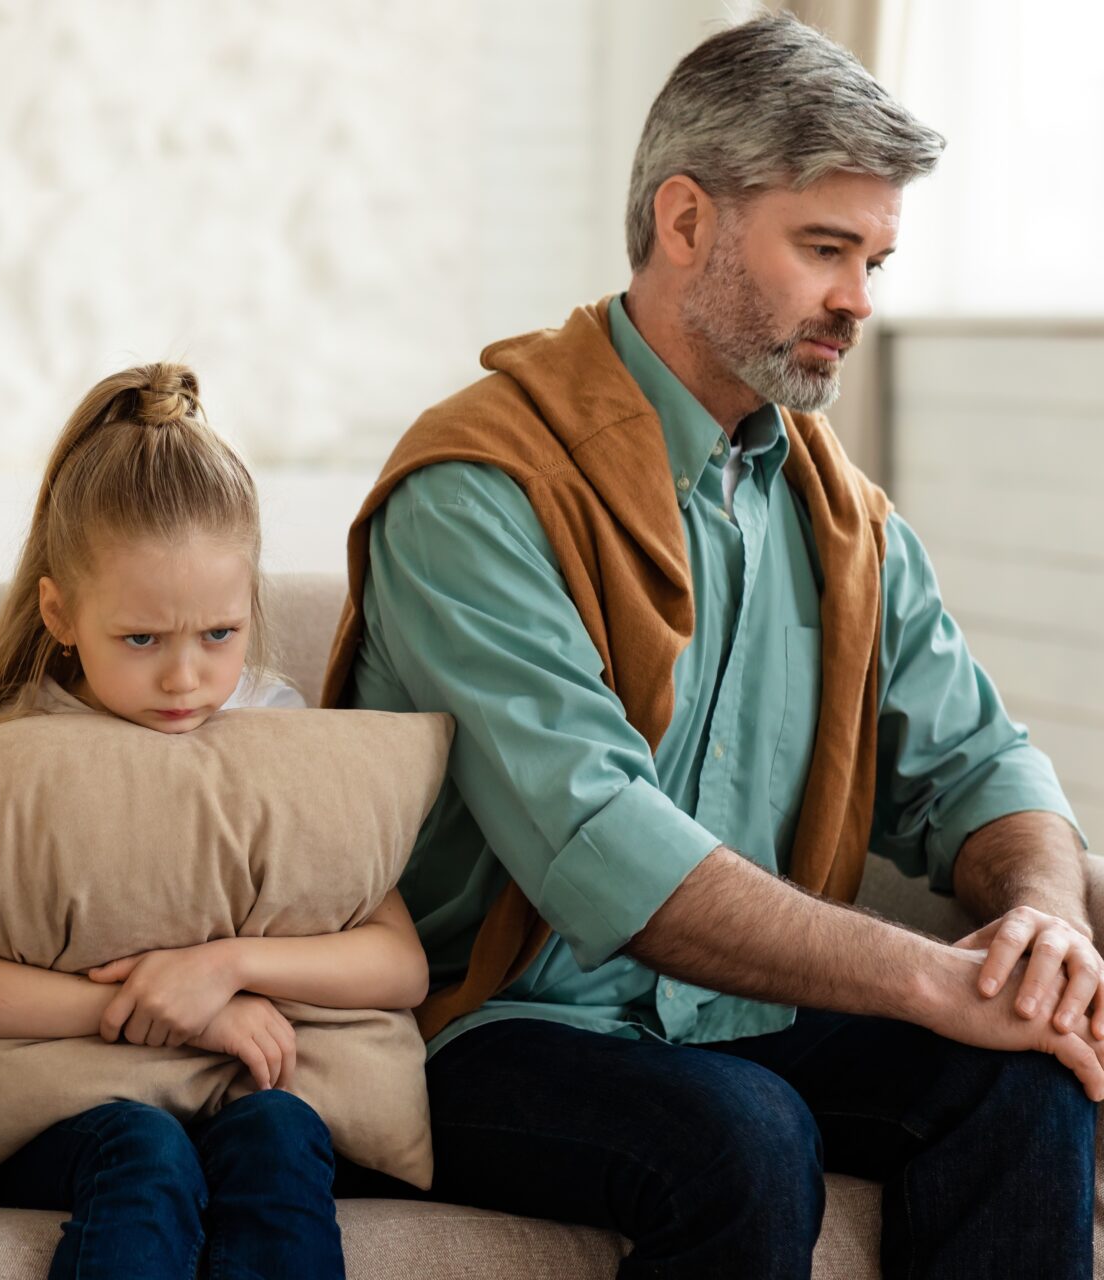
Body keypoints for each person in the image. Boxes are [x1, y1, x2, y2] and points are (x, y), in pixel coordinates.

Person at [327, 14, 1095, 1278]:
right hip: (483, 1027)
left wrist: (1044, 923)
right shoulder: (479, 488)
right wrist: (918, 975)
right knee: (743, 1133)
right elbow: (605, 845)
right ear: (685, 221)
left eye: (876, 260)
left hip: (741, 1021)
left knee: (1022, 1079)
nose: (856, 298)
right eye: (824, 248)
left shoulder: (841, 517)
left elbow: (980, 768)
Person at [0, 363, 429, 1278]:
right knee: (146, 1155)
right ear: (60, 613)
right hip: (64, 1116)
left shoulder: (280, 737)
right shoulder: (1, 751)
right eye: (142, 639)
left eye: (220, 635)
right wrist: (179, 1015)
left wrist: (222, 970)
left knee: (277, 1136)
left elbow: (398, 964)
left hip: (252, 1096)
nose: (186, 678)